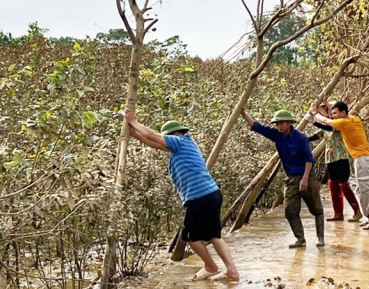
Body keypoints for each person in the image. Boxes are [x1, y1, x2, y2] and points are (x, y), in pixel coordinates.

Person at [123, 110, 239, 282]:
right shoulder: (182, 146)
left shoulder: (181, 141)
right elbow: (153, 143)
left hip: (200, 196)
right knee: (214, 235)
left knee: (190, 238)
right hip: (210, 194)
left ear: (174, 135)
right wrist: (132, 132)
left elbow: (154, 136)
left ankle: (211, 266)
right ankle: (232, 271)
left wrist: (134, 122)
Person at [241, 108, 325, 248]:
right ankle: (300, 238)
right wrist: (243, 114)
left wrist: (304, 179)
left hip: (307, 175)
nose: (279, 126)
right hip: (291, 178)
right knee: (290, 211)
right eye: (277, 123)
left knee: (316, 208)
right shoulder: (277, 135)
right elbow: (257, 127)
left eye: (282, 123)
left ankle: (320, 237)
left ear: (290, 123)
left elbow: (309, 159)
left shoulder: (301, 137)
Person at [312, 101, 369, 230]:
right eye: (332, 113)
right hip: (362, 159)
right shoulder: (353, 119)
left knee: (367, 190)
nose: (333, 115)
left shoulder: (343, 123)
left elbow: (325, 121)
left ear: (343, 113)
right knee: (361, 190)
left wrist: (313, 113)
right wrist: (327, 103)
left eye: (335, 113)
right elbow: (332, 115)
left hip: (362, 159)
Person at [306, 101, 363, 222]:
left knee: (344, 184)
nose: (327, 112)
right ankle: (338, 213)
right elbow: (318, 135)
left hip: (341, 157)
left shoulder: (339, 123)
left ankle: (357, 211)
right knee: (333, 185)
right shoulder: (328, 124)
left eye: (327, 110)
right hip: (330, 158)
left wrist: (314, 120)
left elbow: (329, 128)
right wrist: (301, 139)